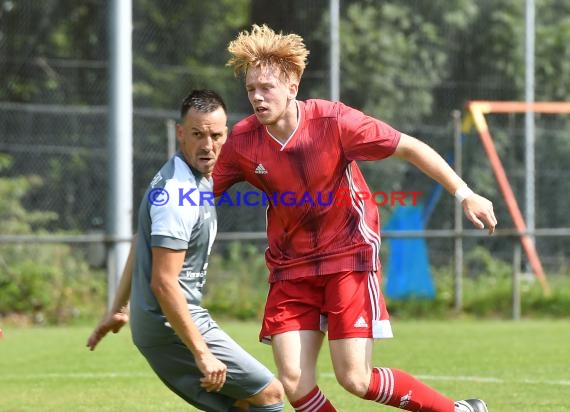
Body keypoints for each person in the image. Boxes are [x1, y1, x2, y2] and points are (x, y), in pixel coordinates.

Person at [213, 24, 497, 412]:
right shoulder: (242, 142)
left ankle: (457, 411)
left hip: (348, 255)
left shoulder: (334, 122)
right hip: (290, 266)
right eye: (251, 89)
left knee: (356, 379)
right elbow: (196, 195)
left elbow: (410, 147)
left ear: (293, 87)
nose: (258, 97)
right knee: (294, 382)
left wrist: (465, 193)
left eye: (267, 87)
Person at [87, 89, 284, 412]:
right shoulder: (178, 193)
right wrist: (202, 352)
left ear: (226, 135)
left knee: (242, 405)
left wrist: (118, 308)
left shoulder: (196, 178)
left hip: (163, 322)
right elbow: (163, 283)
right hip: (170, 325)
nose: (207, 145)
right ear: (181, 133)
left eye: (216, 135)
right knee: (269, 393)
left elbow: (142, 241)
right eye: (197, 135)